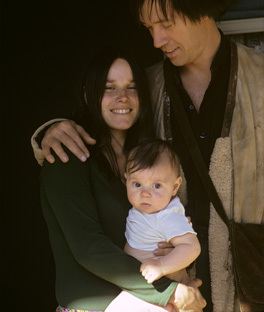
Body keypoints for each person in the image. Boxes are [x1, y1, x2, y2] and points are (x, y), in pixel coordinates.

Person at [32, 0, 264, 312]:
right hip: (174, 294)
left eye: (166, 23)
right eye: (149, 28)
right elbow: (102, 120)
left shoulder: (260, 77)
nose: (156, 40)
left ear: (202, 7)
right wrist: (48, 131)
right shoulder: (150, 86)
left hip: (250, 280)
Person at [37, 46, 206, 312]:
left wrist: (173, 245)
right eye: (109, 88)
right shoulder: (66, 156)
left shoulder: (146, 158)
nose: (122, 97)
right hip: (93, 307)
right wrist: (169, 293)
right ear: (88, 94)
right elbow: (88, 248)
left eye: (132, 87)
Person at [124, 139, 200, 285]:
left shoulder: (167, 216)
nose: (145, 193)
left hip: (167, 285)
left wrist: (161, 266)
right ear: (126, 180)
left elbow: (192, 247)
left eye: (157, 186)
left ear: (175, 187)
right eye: (137, 184)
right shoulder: (143, 209)